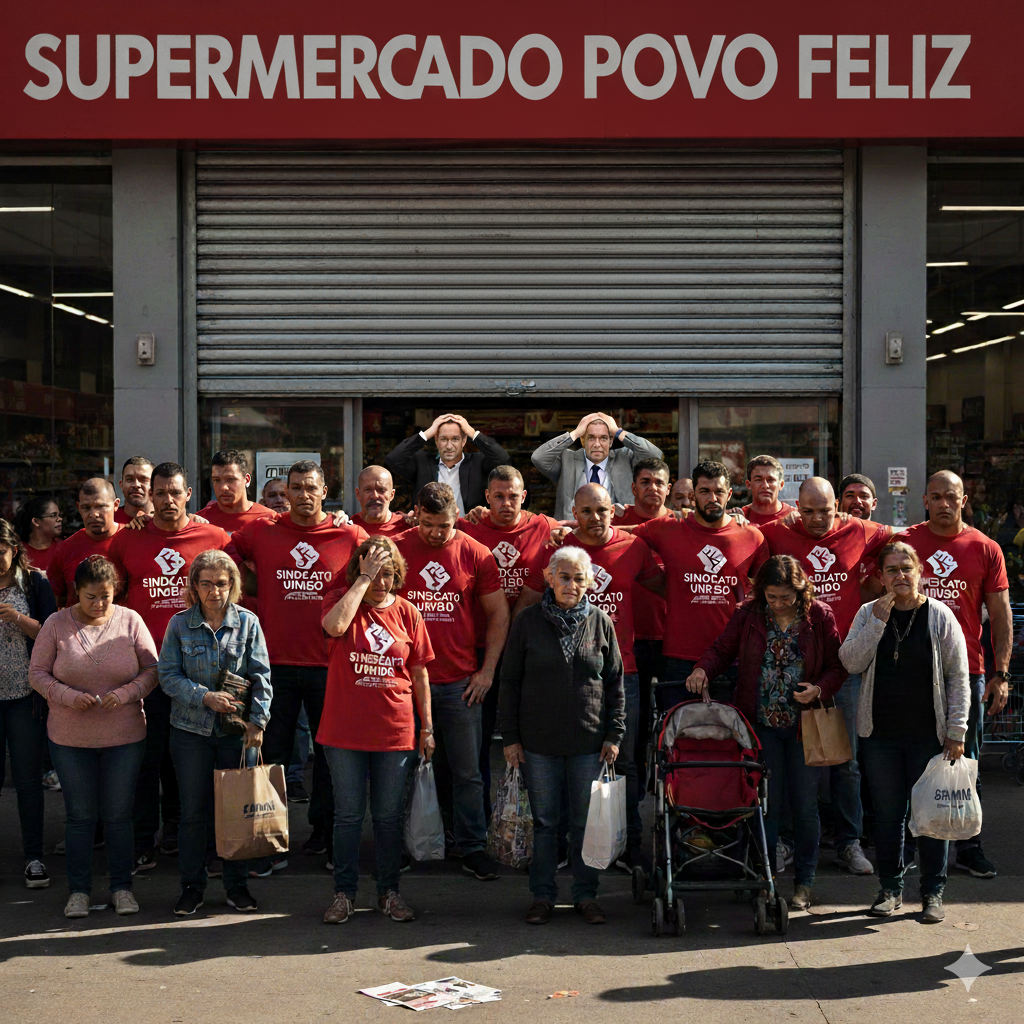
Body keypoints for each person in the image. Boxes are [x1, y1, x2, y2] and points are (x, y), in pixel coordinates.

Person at [685, 555, 847, 911]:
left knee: (805, 806)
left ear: (800, 591)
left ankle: (804, 882)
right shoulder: (749, 613)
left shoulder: (819, 615)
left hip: (806, 726)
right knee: (765, 806)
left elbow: (837, 667)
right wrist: (702, 669)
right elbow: (722, 649)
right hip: (760, 725)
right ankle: (765, 878)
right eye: (772, 597)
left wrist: (818, 689)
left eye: (786, 597)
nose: (778, 603)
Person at [517, 482, 663, 870]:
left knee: (624, 763)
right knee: (566, 761)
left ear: (614, 511)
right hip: (564, 676)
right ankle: (566, 847)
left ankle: (627, 846)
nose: (595, 518)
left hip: (621, 672)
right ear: (574, 513)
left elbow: (667, 588)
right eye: (586, 511)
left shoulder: (633, 548)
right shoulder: (556, 550)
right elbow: (528, 601)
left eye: (601, 510)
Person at [232, 460, 368, 869]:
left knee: (329, 758)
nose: (304, 494)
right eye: (296, 487)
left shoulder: (349, 534)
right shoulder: (262, 531)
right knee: (270, 756)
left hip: (330, 666)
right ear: (286, 492)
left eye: (311, 487)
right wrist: (252, 589)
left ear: (325, 491)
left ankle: (326, 837)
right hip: (272, 665)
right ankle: (268, 842)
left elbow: (384, 565)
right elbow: (222, 553)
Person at [761, 477, 892, 877]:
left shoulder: (859, 530)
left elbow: (905, 538)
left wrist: (877, 584)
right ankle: (784, 842)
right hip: (790, 672)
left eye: (825, 510)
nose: (818, 519)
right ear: (795, 507)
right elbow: (740, 536)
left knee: (845, 762)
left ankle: (850, 843)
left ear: (838, 506)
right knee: (789, 764)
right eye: (808, 511)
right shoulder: (777, 533)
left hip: (844, 670)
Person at [107, 462, 233, 872]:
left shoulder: (214, 538)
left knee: (192, 761)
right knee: (147, 758)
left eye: (174, 493)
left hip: (199, 673)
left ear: (189, 494)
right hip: (145, 669)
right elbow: (112, 597)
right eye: (159, 493)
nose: (167, 500)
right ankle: (144, 839)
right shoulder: (128, 540)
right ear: (149, 496)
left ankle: (184, 834)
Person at [839, 541, 970, 924]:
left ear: (919, 573)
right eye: (892, 570)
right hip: (879, 736)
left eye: (906, 568)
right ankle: (890, 889)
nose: (900, 575)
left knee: (930, 817)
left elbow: (958, 677)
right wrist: (877, 623)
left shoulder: (940, 615)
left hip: (929, 737)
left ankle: (932, 892)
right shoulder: (868, 613)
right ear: (881, 577)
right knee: (887, 815)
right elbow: (850, 662)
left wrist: (957, 730)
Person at [500, 547, 625, 925]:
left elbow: (616, 683)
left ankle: (586, 896)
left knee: (586, 825)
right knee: (545, 824)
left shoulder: (601, 622)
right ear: (550, 578)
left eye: (579, 578)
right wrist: (510, 737)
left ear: (589, 583)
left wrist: (614, 734)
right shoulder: (527, 621)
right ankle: (542, 896)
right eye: (565, 577)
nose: (571, 584)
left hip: (589, 742)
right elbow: (509, 682)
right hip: (538, 743)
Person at [29, 556, 158, 919]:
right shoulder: (56, 624)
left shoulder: (130, 620)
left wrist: (128, 693)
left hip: (125, 736)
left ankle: (122, 888)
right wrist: (68, 696)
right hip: (70, 738)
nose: (99, 604)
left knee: (118, 815)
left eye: (106, 596)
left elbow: (152, 669)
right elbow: (37, 673)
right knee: (81, 816)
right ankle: (79, 891)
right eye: (91, 597)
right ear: (76, 592)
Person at [318, 537, 435, 924]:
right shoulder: (341, 601)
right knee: (348, 816)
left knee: (387, 818)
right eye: (373, 572)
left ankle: (389, 892)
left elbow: (419, 674)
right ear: (357, 571)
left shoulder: (408, 613)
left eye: (387, 573)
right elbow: (335, 626)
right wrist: (362, 581)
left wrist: (427, 728)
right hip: (344, 733)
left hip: (394, 733)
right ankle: (344, 894)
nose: (381, 581)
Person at [396, 482, 508, 881]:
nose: (435, 533)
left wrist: (487, 671)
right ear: (415, 514)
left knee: (468, 773)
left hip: (460, 682)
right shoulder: (397, 549)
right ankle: (399, 846)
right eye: (427, 524)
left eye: (443, 525)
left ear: (456, 516)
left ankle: (472, 847)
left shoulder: (476, 552)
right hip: (405, 683)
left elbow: (499, 614)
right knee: (402, 771)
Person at [902, 470, 1010, 880]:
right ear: (925, 500)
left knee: (965, 764)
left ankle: (969, 846)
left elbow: (1000, 615)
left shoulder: (985, 548)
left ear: (964, 500)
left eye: (952, 497)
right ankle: (912, 845)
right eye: (936, 497)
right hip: (912, 672)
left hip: (967, 673)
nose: (944, 504)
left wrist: (1001, 673)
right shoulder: (906, 543)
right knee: (914, 762)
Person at [158, 550, 272, 916]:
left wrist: (258, 722)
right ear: (194, 586)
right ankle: (192, 887)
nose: (214, 591)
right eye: (206, 583)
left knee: (234, 812)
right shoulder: (179, 624)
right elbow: (167, 676)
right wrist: (204, 696)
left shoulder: (248, 623)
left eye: (221, 583)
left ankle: (237, 886)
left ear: (232, 585)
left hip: (235, 734)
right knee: (193, 813)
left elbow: (262, 676)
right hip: (190, 732)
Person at [458, 465, 559, 807]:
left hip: (526, 651)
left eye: (513, 496)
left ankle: (531, 815)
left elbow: (591, 525)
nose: (506, 503)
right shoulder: (468, 527)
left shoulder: (543, 526)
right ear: (486, 497)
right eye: (498, 496)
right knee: (479, 738)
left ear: (524, 496)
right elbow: (424, 524)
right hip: (478, 649)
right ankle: (480, 815)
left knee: (527, 736)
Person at [632, 461, 770, 710]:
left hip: (731, 657)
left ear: (729, 494)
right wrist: (567, 528)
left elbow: (764, 596)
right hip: (678, 657)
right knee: (676, 731)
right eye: (704, 491)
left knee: (732, 732)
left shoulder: (752, 536)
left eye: (719, 492)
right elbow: (617, 537)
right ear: (693, 495)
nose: (712, 498)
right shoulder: (668, 528)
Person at [0, 518, 57, 889]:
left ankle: (34, 857)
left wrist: (18, 618)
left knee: (27, 780)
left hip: (25, 696)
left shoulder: (34, 583)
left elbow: (52, 634)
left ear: (14, 550)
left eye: (0, 552)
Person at [617, 459, 672, 796]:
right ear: (633, 488)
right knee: (631, 730)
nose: (653, 487)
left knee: (671, 725)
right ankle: (632, 801)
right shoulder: (613, 520)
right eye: (646, 481)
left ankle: (670, 793)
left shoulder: (680, 524)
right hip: (628, 642)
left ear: (669, 488)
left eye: (659, 482)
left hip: (671, 640)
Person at [531, 412, 663, 521]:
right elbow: (538, 458)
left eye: (603, 438)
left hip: (619, 535)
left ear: (611, 441)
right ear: (583, 441)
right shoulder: (568, 460)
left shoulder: (624, 458)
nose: (597, 444)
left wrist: (618, 432)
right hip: (573, 534)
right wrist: (575, 433)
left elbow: (655, 455)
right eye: (591, 438)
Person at [385, 413, 509, 517]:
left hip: (470, 531)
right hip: (430, 532)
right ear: (436, 441)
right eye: (444, 439)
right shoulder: (422, 462)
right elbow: (393, 459)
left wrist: (472, 433)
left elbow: (503, 459)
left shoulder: (478, 462)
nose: (449, 446)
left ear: (464, 441)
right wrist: (427, 433)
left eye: (455, 439)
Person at [47, 479, 125, 609]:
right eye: (86, 507)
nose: (93, 514)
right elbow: (53, 601)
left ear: (116, 505)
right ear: (79, 508)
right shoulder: (65, 549)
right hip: (76, 622)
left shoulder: (133, 541)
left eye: (101, 506)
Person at [201, 449, 275, 534]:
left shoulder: (270, 518)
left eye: (231, 479)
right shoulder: (201, 520)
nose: (224, 487)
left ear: (247, 480)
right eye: (217, 480)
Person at [352, 465, 410, 537]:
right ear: (358, 494)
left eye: (381, 490)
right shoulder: (348, 527)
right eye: (367, 490)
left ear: (391, 495)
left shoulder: (407, 527)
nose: (374, 496)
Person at [740, 455, 795, 527]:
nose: (765, 485)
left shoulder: (795, 518)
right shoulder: (739, 518)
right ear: (749, 485)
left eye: (771, 480)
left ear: (781, 485)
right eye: (758, 480)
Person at [14, 497, 63, 574]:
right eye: (53, 515)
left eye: (59, 515)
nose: (60, 519)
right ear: (36, 521)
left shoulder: (64, 549)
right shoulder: (16, 552)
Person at [115, 457, 155, 524]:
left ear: (155, 485)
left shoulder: (166, 521)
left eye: (143, 479)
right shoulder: (109, 520)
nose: (136, 485)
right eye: (129, 479)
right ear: (121, 485)